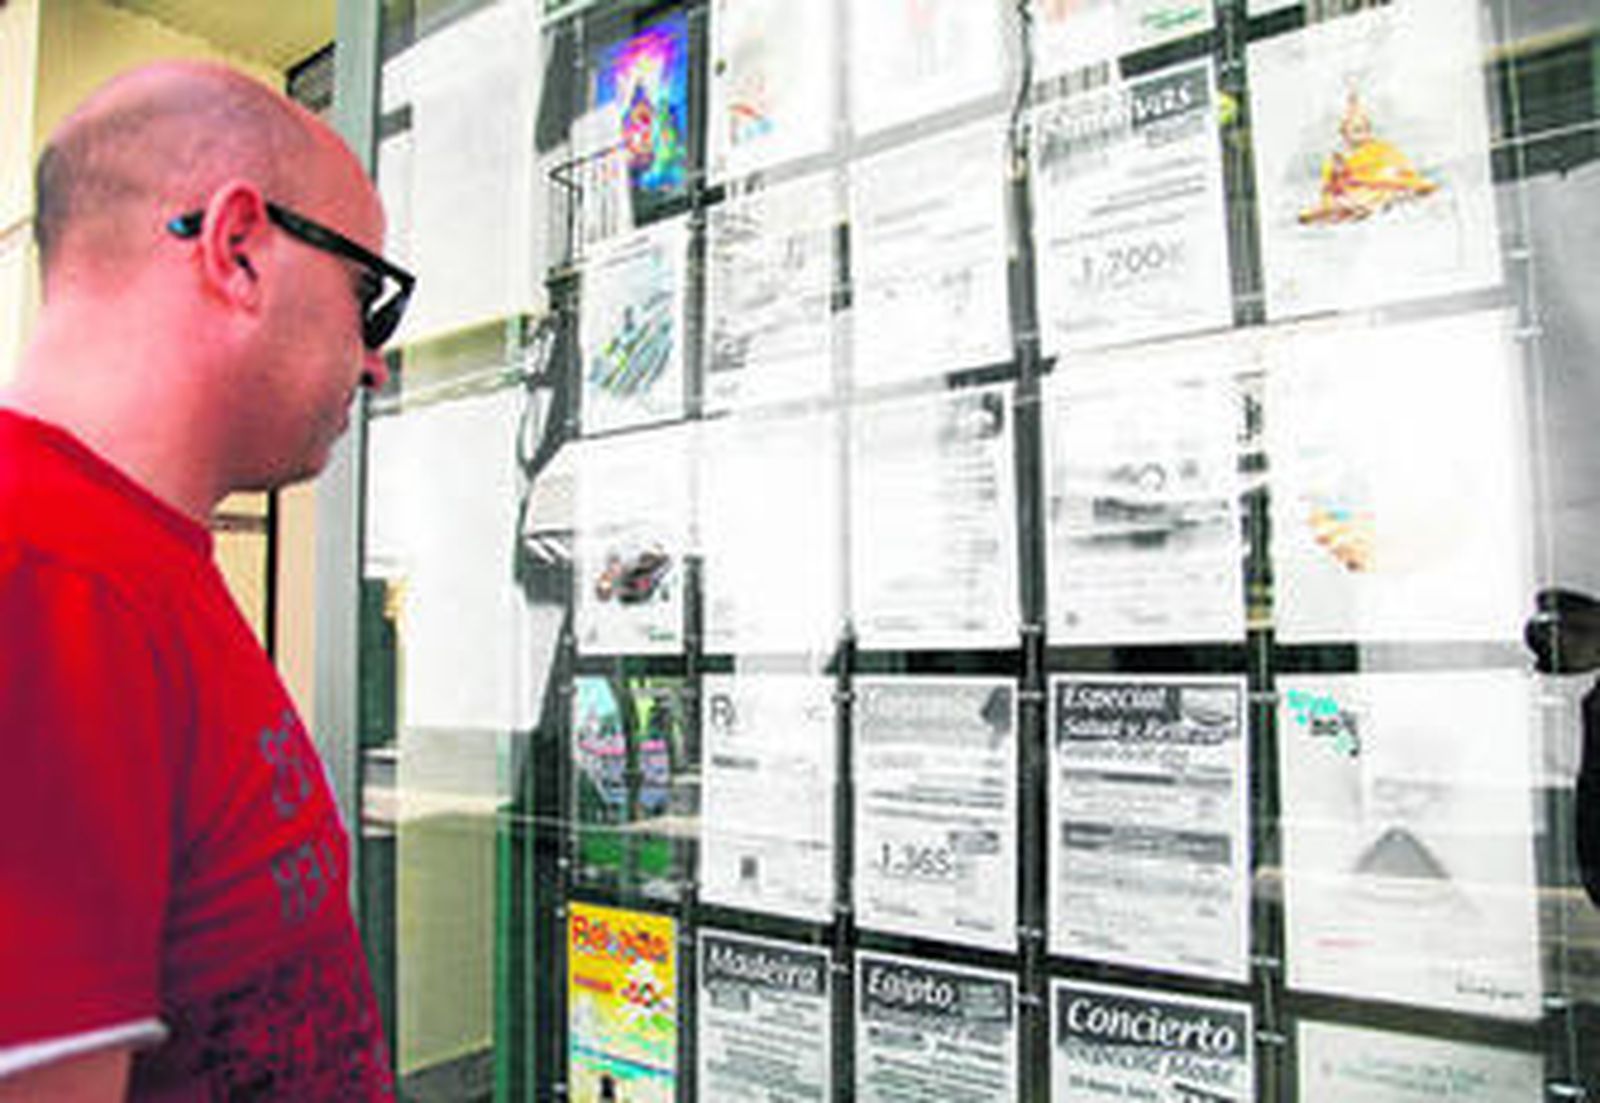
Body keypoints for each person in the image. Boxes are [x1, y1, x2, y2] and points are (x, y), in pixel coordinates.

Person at [0, 60, 412, 1099]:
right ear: (237, 250)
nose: (375, 362)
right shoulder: (47, 575)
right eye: (367, 297)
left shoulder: (125, 559)